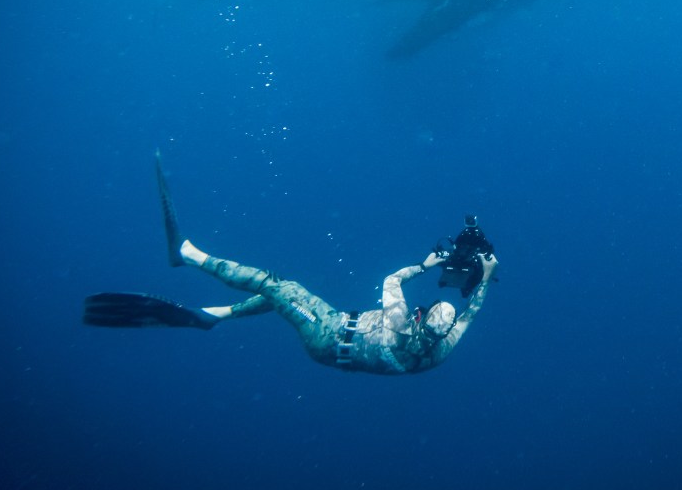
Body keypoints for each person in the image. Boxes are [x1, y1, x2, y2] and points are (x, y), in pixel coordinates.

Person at [84, 153, 498, 375]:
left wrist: (424, 267)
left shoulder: (399, 322)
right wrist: (487, 278)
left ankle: (188, 254)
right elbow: (472, 313)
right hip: (336, 336)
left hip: (329, 336)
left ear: (424, 319)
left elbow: (392, 279)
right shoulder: (443, 350)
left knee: (278, 285)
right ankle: (211, 315)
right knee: (280, 296)